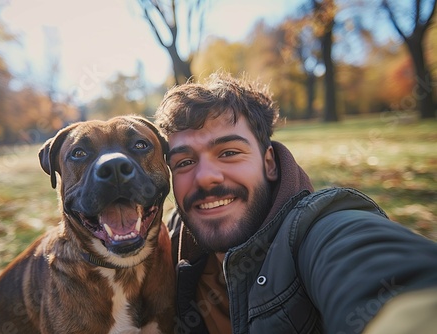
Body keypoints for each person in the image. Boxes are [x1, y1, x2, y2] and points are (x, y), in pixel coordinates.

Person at [154, 71, 437, 334]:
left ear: (269, 164)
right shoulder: (162, 248)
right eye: (185, 162)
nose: (205, 178)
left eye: (228, 152)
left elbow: (377, 271)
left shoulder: (318, 230)